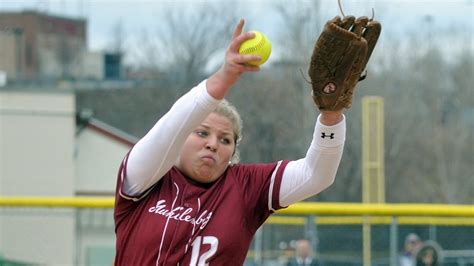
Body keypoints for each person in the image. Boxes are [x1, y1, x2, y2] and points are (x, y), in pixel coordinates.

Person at [113, 19, 346, 265]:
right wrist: (225, 77)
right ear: (181, 138)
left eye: (225, 139)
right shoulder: (144, 178)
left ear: (234, 150)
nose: (213, 144)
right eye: (202, 133)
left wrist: (331, 115)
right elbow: (171, 125)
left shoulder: (245, 188)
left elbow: (315, 174)